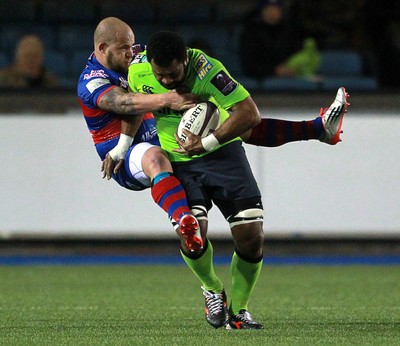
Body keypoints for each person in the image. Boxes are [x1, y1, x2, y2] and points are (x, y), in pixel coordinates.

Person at [128, 31, 349, 330]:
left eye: (173, 73)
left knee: (252, 238)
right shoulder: (137, 69)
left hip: (222, 155)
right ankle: (211, 288)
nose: (166, 80)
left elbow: (249, 114)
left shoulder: (208, 70)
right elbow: (129, 104)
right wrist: (120, 146)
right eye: (160, 75)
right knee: (191, 234)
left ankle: (240, 312)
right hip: (178, 162)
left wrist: (205, 143)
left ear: (185, 59)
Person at [77, 17, 203, 252]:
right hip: (121, 157)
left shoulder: (138, 55)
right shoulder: (91, 81)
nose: (131, 52)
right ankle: (183, 219)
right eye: (124, 48)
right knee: (154, 157)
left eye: (131, 45)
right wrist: (167, 99)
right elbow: (123, 103)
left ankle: (191, 233)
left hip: (162, 140)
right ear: (103, 49)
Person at [239, 0, 302, 79]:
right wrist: (274, 71)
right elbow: (249, 66)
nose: (272, 12)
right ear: (261, 11)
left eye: (276, 9)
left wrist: (290, 69)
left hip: (289, 80)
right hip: (260, 81)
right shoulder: (250, 33)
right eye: (268, 9)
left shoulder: (290, 32)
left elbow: (297, 56)